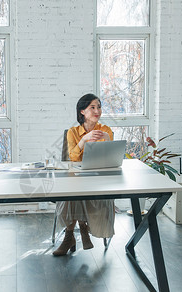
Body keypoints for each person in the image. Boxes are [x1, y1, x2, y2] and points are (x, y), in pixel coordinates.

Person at [53, 93, 114, 256]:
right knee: (73, 192)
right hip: (77, 177)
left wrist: (108, 139)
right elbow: (72, 158)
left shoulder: (105, 130)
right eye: (92, 107)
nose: (97, 111)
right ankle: (80, 230)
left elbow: (111, 156)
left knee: (76, 193)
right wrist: (84, 139)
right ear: (82, 111)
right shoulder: (72, 132)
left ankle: (70, 237)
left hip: (98, 178)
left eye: (99, 107)